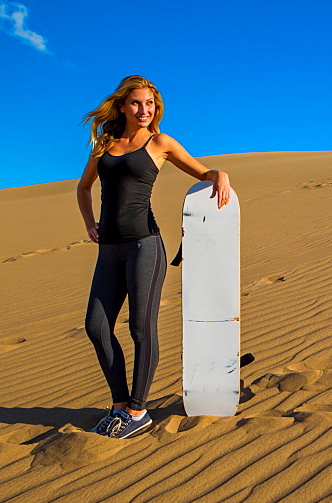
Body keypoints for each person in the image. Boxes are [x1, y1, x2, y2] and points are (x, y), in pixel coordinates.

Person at [77, 75, 231, 438]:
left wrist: (220, 175)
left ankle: (137, 409)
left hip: (145, 245)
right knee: (96, 327)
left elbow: (202, 170)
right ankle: (118, 405)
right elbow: (84, 188)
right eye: (136, 103)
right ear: (122, 105)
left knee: (140, 327)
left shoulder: (159, 142)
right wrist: (89, 222)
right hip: (109, 250)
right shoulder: (105, 145)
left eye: (150, 104)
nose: (143, 110)